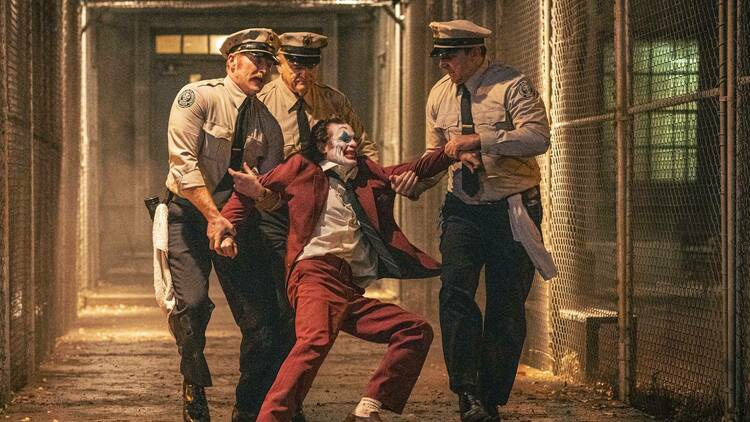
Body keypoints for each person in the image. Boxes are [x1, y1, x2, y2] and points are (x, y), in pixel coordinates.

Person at [216, 116, 474, 422]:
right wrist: (227, 228)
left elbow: (413, 169)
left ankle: (366, 409)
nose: (352, 144)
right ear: (323, 146)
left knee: (415, 331)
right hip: (314, 273)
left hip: (347, 286)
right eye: (343, 138)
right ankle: (271, 417)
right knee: (314, 340)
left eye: (354, 139)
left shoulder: (366, 174)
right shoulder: (302, 168)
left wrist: (450, 152)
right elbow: (249, 190)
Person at [424, 20, 551, 422]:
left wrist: (481, 140)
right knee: (455, 293)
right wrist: (418, 176)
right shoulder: (439, 94)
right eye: (440, 56)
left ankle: (490, 395)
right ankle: (467, 392)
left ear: (476, 52)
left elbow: (538, 137)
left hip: (512, 207)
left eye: (451, 56)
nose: (444, 64)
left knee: (506, 304)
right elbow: (435, 151)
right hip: (463, 207)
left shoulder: (511, 85)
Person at [164, 28, 292, 422]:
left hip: (235, 221)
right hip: (189, 215)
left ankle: (248, 407)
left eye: (268, 62)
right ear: (232, 61)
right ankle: (194, 386)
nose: (264, 69)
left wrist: (259, 198)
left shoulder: (267, 124)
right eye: (256, 59)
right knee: (192, 305)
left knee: (262, 320)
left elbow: (271, 190)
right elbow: (182, 165)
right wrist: (213, 217)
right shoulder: (198, 98)